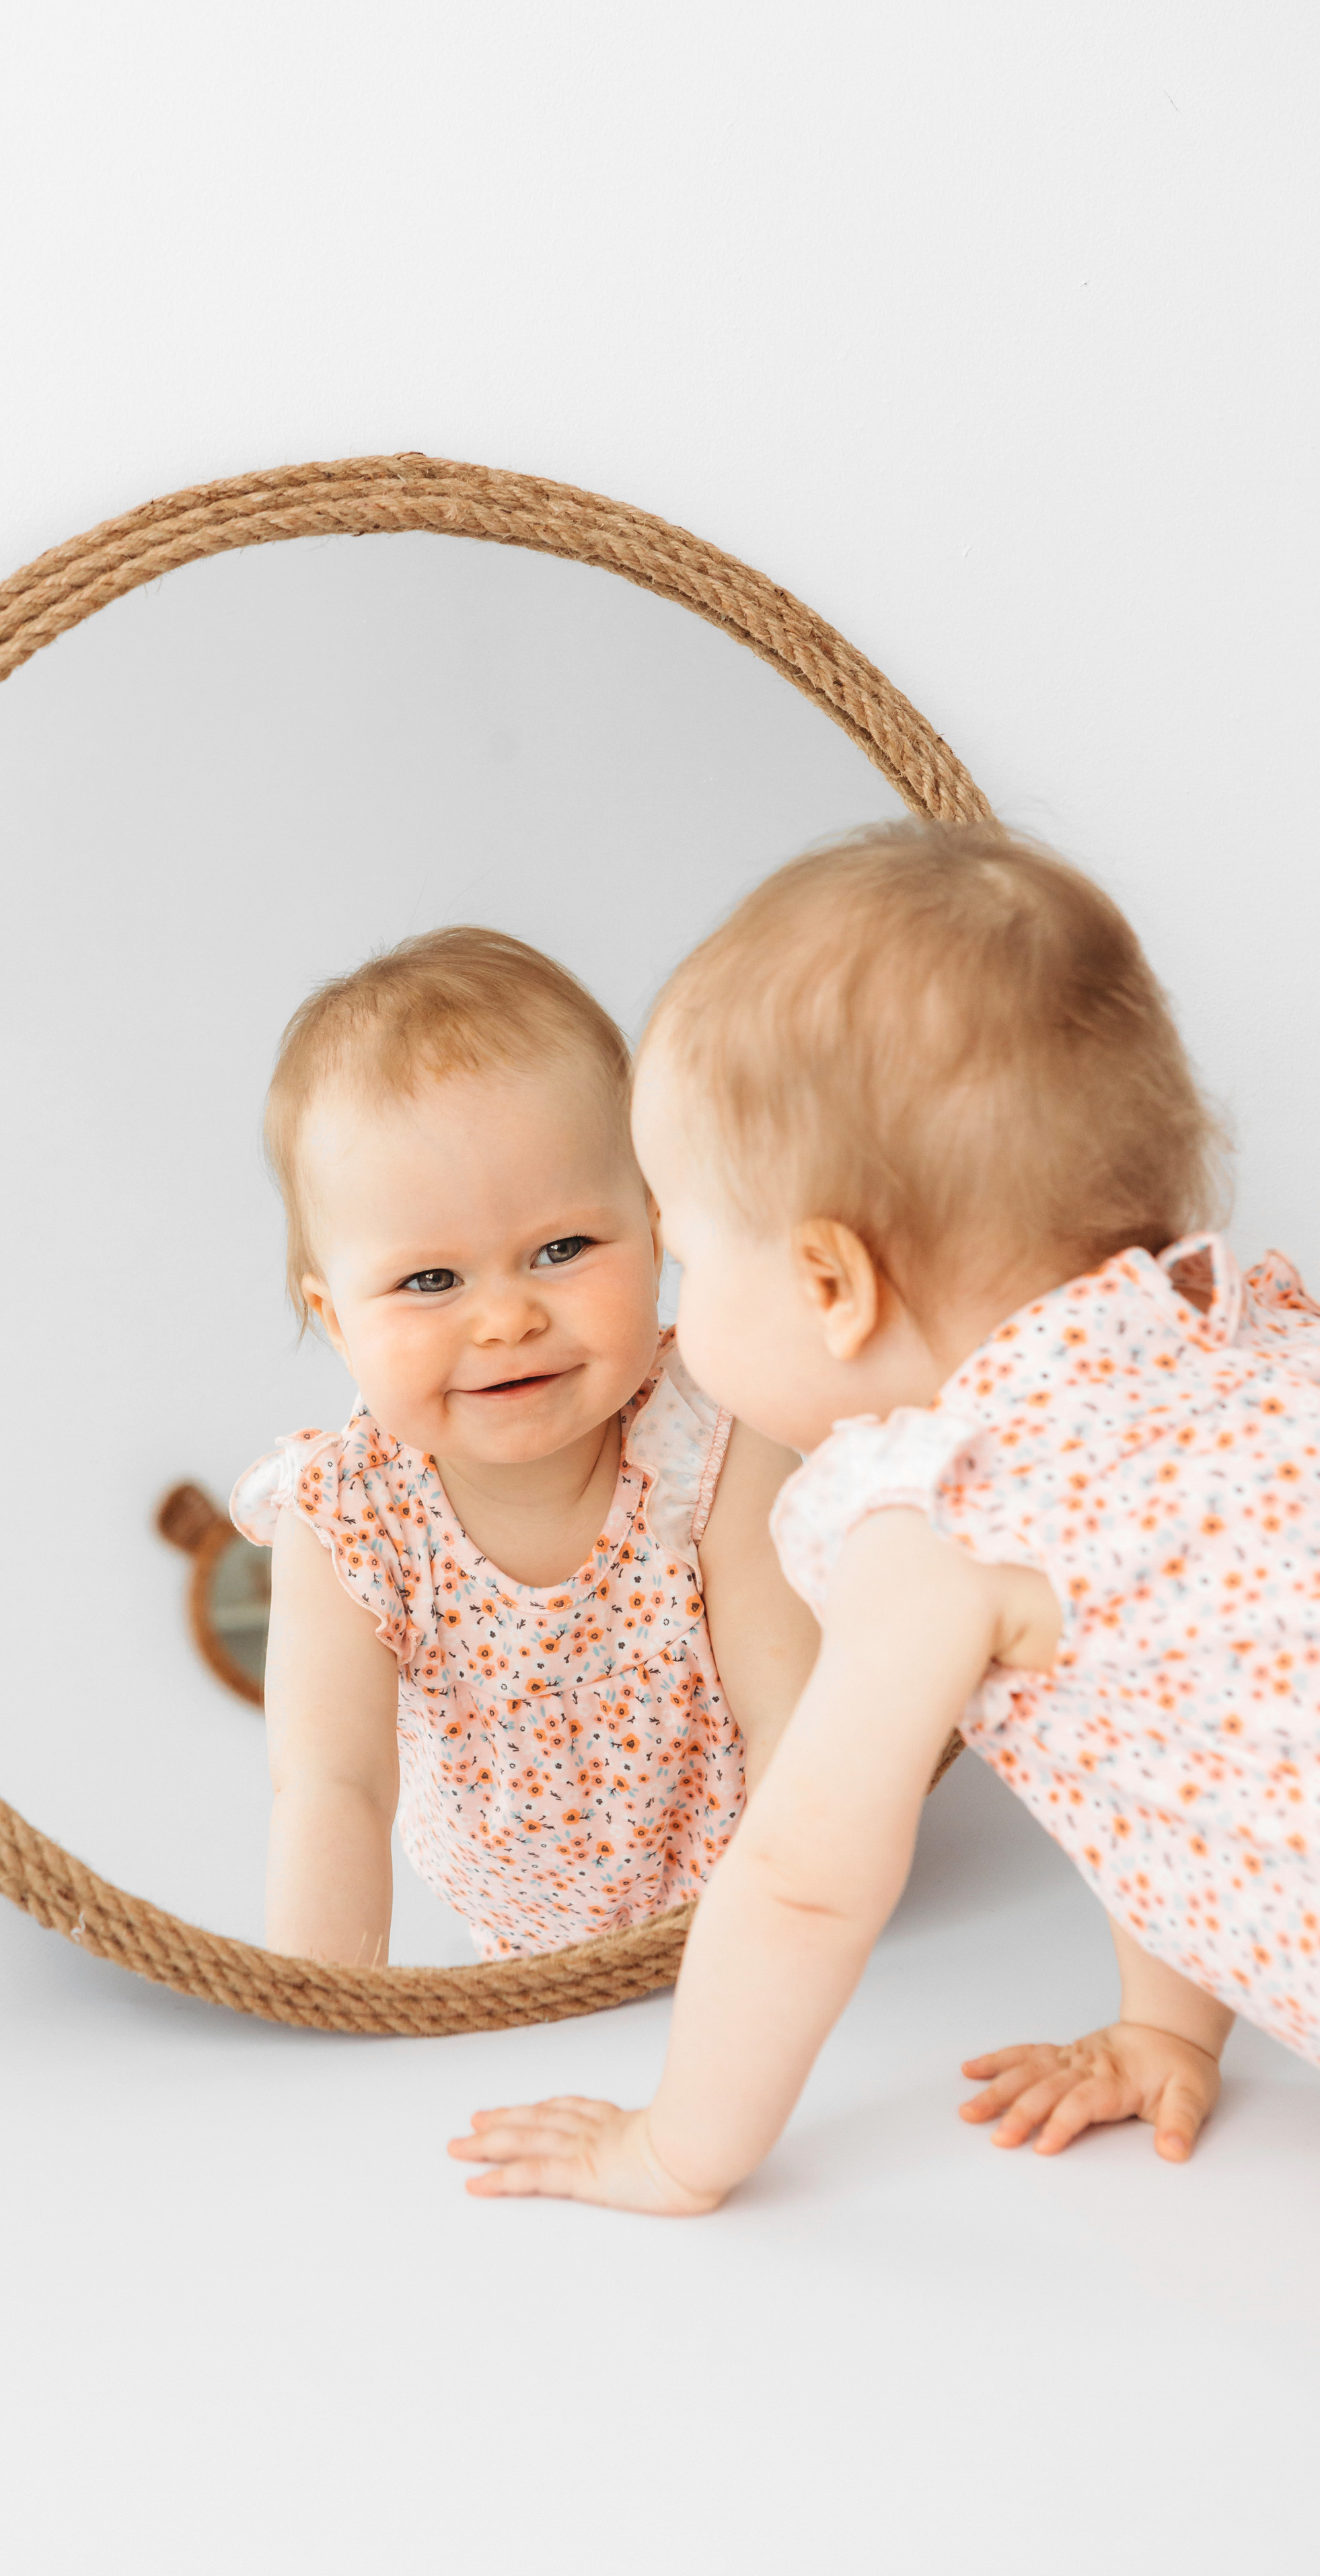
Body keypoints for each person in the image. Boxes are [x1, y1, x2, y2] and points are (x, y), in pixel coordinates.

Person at [451, 822, 1320, 2209]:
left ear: (831, 1287)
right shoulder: (1217, 1353)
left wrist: (671, 2147)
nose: (675, 1303)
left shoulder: (943, 1523)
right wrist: (1166, 2028)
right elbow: (1190, 1745)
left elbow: (801, 1884)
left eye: (687, 1257)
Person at [231, 926, 819, 1964]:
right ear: (337, 1320)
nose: (506, 1320)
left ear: (657, 1231)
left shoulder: (713, 1438)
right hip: (522, 1959)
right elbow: (335, 1790)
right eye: (430, 1281)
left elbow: (795, 1720)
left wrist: (775, 1948)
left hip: (763, 1906)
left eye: (562, 1249)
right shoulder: (350, 1520)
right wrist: (325, 2011)